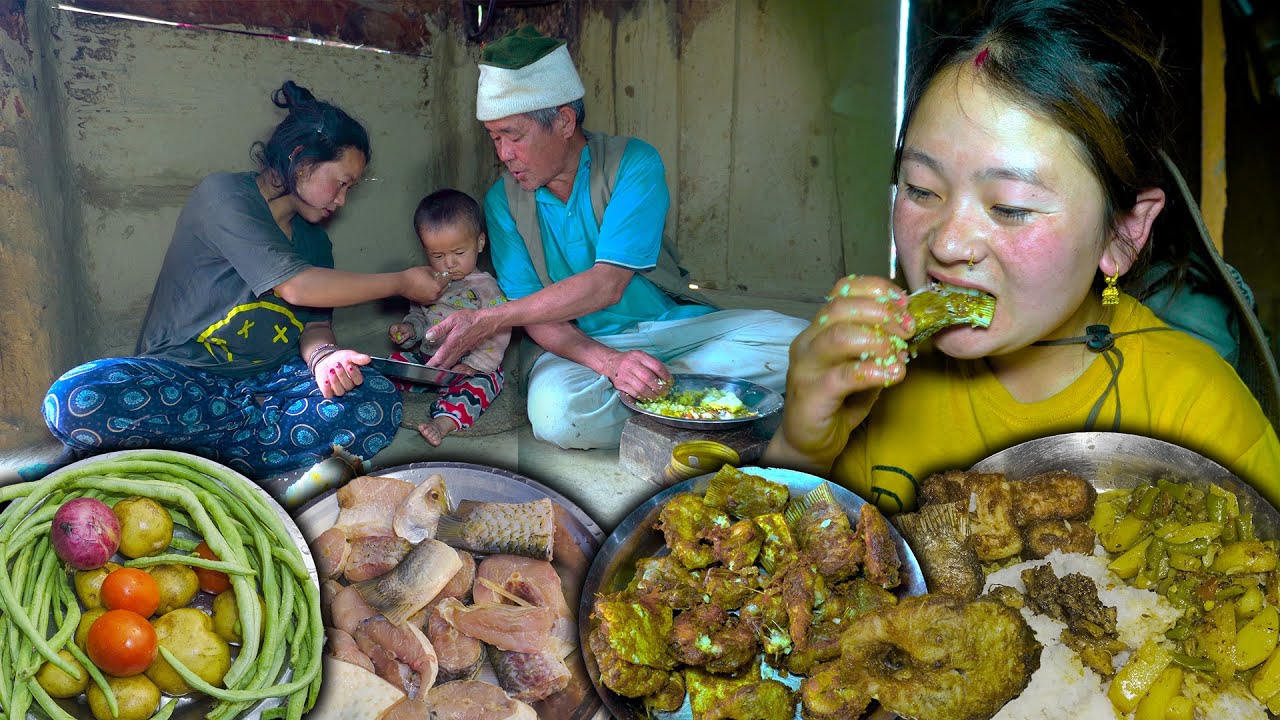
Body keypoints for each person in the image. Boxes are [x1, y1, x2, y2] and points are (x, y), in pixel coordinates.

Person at [761, 0, 1280, 512]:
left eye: (1009, 208)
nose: (947, 244)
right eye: (921, 189)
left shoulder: (1200, 412)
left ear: (1123, 232)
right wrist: (801, 450)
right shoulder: (876, 384)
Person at [421, 25, 809, 449]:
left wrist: (490, 318)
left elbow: (608, 284)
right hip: (584, 349)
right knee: (558, 416)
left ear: (564, 121)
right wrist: (611, 362)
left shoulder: (633, 163)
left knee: (803, 343)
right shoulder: (502, 202)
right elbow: (535, 316)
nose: (503, 154)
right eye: (494, 138)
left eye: (514, 136)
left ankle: (662, 390)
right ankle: (701, 400)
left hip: (675, 330)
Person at [42, 80, 449, 479]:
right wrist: (399, 282)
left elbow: (316, 324)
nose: (341, 199)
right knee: (76, 399)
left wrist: (324, 357)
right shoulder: (223, 196)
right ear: (300, 161)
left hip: (269, 388)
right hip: (186, 381)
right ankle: (233, 455)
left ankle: (187, 456)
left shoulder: (315, 243)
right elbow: (297, 287)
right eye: (341, 183)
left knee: (376, 401)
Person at [388, 189, 511, 446]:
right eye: (438, 256)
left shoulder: (485, 287)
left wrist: (476, 364)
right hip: (430, 362)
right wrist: (411, 329)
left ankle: (444, 421)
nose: (449, 264)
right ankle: (399, 390)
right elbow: (420, 315)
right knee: (392, 364)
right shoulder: (426, 282)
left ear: (479, 243)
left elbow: (501, 330)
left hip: (473, 367)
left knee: (480, 389)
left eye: (459, 253)